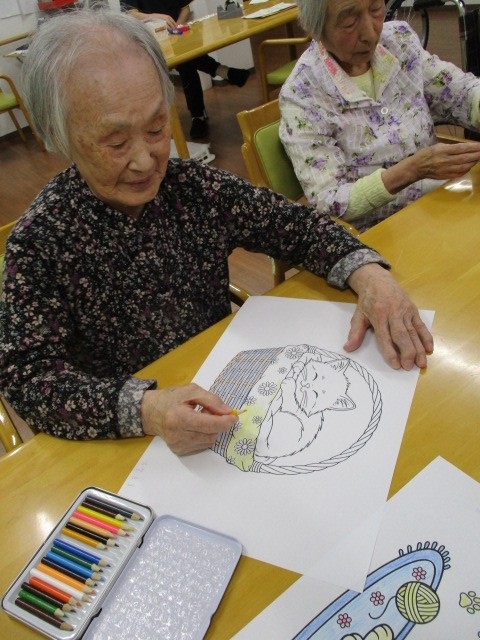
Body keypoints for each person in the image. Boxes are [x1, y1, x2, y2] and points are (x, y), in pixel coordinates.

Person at [0, 10, 433, 456]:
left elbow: (297, 225)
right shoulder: (41, 241)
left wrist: (370, 275)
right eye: (115, 143)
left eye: (156, 128)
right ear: (58, 135)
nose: (146, 161)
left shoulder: (192, 188)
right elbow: (28, 378)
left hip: (222, 398)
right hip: (124, 447)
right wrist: (145, 409)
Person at [279, 0, 480, 233]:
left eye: (375, 9)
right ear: (317, 29)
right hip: (377, 234)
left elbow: (460, 92)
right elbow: (330, 202)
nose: (370, 33)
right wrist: (411, 170)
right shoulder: (302, 95)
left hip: (439, 202)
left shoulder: (399, 40)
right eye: (349, 22)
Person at [125, 0, 250, 139]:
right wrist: (157, 17)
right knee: (186, 62)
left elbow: (185, 8)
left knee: (186, 62)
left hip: (177, 32)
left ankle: (198, 116)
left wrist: (177, 26)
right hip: (153, 38)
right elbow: (131, 13)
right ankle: (225, 73)